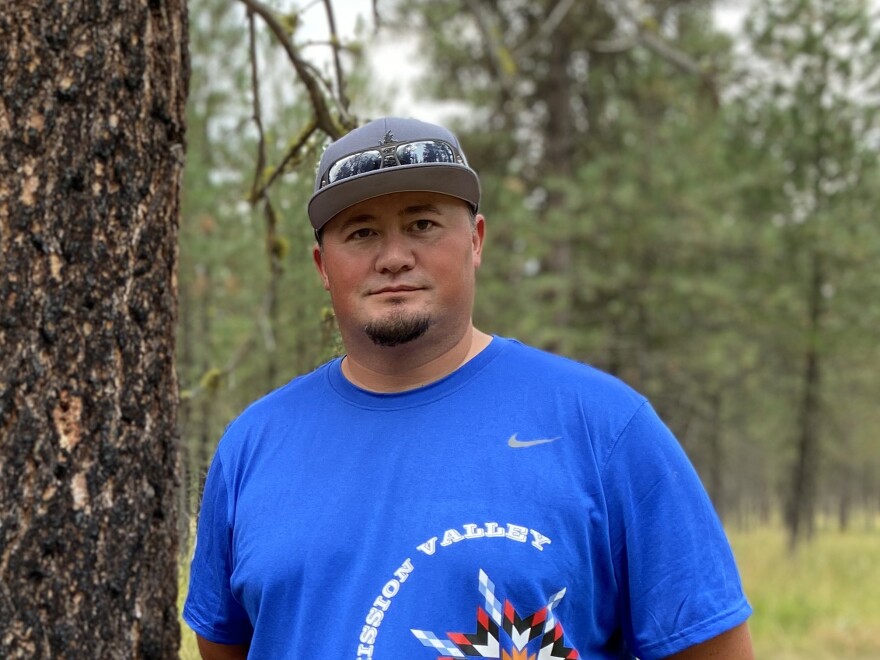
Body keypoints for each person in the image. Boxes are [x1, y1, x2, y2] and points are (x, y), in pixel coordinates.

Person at [183, 117, 754, 659]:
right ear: (321, 266)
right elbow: (227, 646)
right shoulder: (253, 447)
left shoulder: (604, 428)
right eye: (361, 233)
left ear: (476, 240)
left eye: (422, 224)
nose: (394, 257)